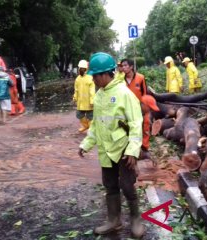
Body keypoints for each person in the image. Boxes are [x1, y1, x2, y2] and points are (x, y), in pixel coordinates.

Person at [78, 52, 145, 238]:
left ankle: (136, 219)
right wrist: (86, 144)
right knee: (110, 185)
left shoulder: (124, 94)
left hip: (123, 149)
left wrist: (133, 151)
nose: (93, 79)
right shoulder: (99, 95)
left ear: (104, 74)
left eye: (94, 76)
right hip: (106, 150)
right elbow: (97, 124)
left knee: (127, 185)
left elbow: (135, 123)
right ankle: (114, 220)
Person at [121, 59, 151, 159]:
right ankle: (129, 148)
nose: (124, 68)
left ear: (131, 67)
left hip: (139, 107)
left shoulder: (140, 78)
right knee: (128, 128)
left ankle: (145, 148)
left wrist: (145, 106)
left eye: (125, 65)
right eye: (122, 66)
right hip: (126, 109)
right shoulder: (121, 80)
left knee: (145, 126)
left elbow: (145, 93)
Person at [73, 60, 95, 133]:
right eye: (80, 68)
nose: (82, 70)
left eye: (83, 68)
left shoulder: (90, 78)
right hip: (80, 102)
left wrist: (92, 100)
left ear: (86, 69)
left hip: (89, 102)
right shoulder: (77, 79)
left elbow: (92, 90)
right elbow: (76, 90)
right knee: (79, 115)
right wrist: (75, 97)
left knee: (90, 116)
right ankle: (86, 126)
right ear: (79, 69)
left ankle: (91, 130)